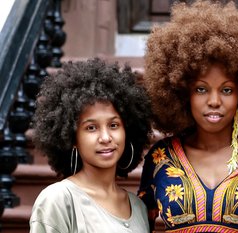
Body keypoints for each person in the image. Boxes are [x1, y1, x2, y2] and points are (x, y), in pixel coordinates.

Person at [138, 1, 238, 232]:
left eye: (227, 90)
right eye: (201, 89)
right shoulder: (161, 158)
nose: (214, 101)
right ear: (183, 93)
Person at [29, 58, 152, 232]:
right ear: (72, 139)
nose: (105, 137)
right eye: (91, 127)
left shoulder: (138, 207)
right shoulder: (58, 200)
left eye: (113, 125)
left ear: (128, 131)